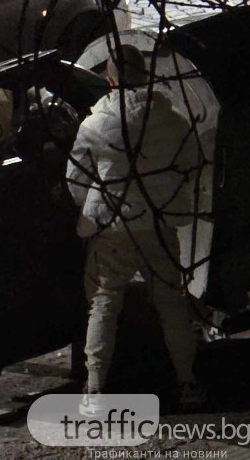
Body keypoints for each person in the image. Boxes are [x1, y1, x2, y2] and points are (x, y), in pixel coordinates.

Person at [66, 44, 205, 413]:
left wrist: (94, 211)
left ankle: (94, 390)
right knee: (171, 302)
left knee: (104, 303)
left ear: (109, 79)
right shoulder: (175, 121)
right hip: (159, 225)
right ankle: (187, 383)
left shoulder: (93, 125)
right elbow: (190, 168)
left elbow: (75, 179)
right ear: (146, 76)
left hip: (113, 227)